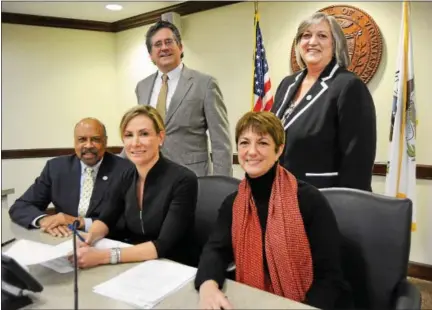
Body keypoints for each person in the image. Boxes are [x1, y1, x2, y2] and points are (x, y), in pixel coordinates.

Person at [195, 111, 352, 310]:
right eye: (244, 143)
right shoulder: (233, 203)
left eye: (262, 143)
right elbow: (215, 250)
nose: (251, 151)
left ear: (279, 150)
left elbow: (330, 277)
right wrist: (208, 286)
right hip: (255, 300)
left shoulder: (309, 200)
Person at [70, 105, 198, 268]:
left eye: (144, 134)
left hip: (174, 266)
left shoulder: (183, 180)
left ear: (160, 137)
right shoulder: (125, 175)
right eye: (129, 135)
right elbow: (105, 219)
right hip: (135, 262)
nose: (135, 143)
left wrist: (103, 256)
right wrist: (87, 240)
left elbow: (163, 245)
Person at [271, 12, 376, 191]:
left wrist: (348, 206)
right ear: (298, 44)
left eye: (322, 35)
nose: (312, 42)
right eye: (306, 35)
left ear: (335, 44)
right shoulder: (287, 84)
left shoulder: (348, 86)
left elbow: (358, 161)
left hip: (322, 199)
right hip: (279, 193)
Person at [133, 20, 233, 177]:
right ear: (151, 55)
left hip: (193, 177)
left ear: (180, 47)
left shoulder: (205, 84)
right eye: (158, 44)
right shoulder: (142, 87)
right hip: (152, 177)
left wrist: (223, 184)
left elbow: (220, 141)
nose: (164, 47)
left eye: (169, 42)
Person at [9, 118, 132, 237]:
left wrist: (78, 222)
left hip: (107, 241)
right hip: (64, 239)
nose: (88, 145)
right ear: (75, 142)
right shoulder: (56, 168)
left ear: (105, 142)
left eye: (95, 139)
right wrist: (45, 220)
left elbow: (127, 221)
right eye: (82, 139)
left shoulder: (125, 170)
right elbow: (21, 206)